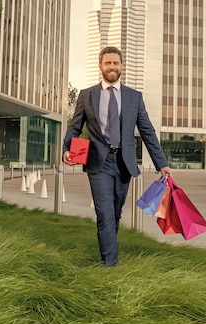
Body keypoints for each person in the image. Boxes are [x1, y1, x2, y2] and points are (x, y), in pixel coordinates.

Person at [63, 46, 172, 267]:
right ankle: (110, 263)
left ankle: (108, 250)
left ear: (121, 66)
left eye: (116, 63)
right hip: (98, 162)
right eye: (108, 63)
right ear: (100, 66)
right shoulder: (86, 96)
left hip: (124, 163)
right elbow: (75, 127)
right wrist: (67, 149)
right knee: (104, 212)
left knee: (115, 211)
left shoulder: (134, 97)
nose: (112, 67)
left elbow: (147, 131)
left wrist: (162, 164)